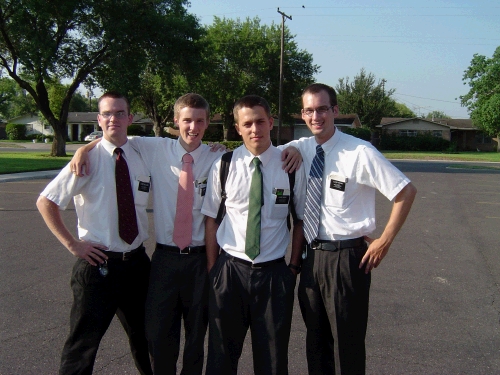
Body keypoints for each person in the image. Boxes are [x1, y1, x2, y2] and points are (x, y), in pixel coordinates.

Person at [283, 83, 417, 375]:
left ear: (335, 111)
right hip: (310, 258)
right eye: (309, 110)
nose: (315, 116)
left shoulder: (359, 152)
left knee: (348, 345)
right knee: (316, 344)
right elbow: (259, 151)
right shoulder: (301, 148)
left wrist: (384, 240)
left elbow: (405, 192)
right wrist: (219, 150)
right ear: (302, 114)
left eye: (322, 109)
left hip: (346, 260)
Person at [36, 92, 153, 375]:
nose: (114, 118)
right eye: (108, 114)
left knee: (147, 339)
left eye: (120, 113)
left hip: (137, 265)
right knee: (82, 346)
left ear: (130, 118)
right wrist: (73, 245)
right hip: (99, 265)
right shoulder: (85, 162)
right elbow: (46, 202)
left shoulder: (142, 154)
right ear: (99, 119)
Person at [201, 95, 307, 375]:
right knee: (221, 358)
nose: (254, 129)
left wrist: (292, 268)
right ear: (238, 128)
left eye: (260, 121)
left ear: (271, 122)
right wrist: (214, 269)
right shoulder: (223, 165)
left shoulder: (291, 166)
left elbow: (299, 221)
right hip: (229, 272)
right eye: (247, 123)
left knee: (272, 362)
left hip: (273, 276)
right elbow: (211, 219)